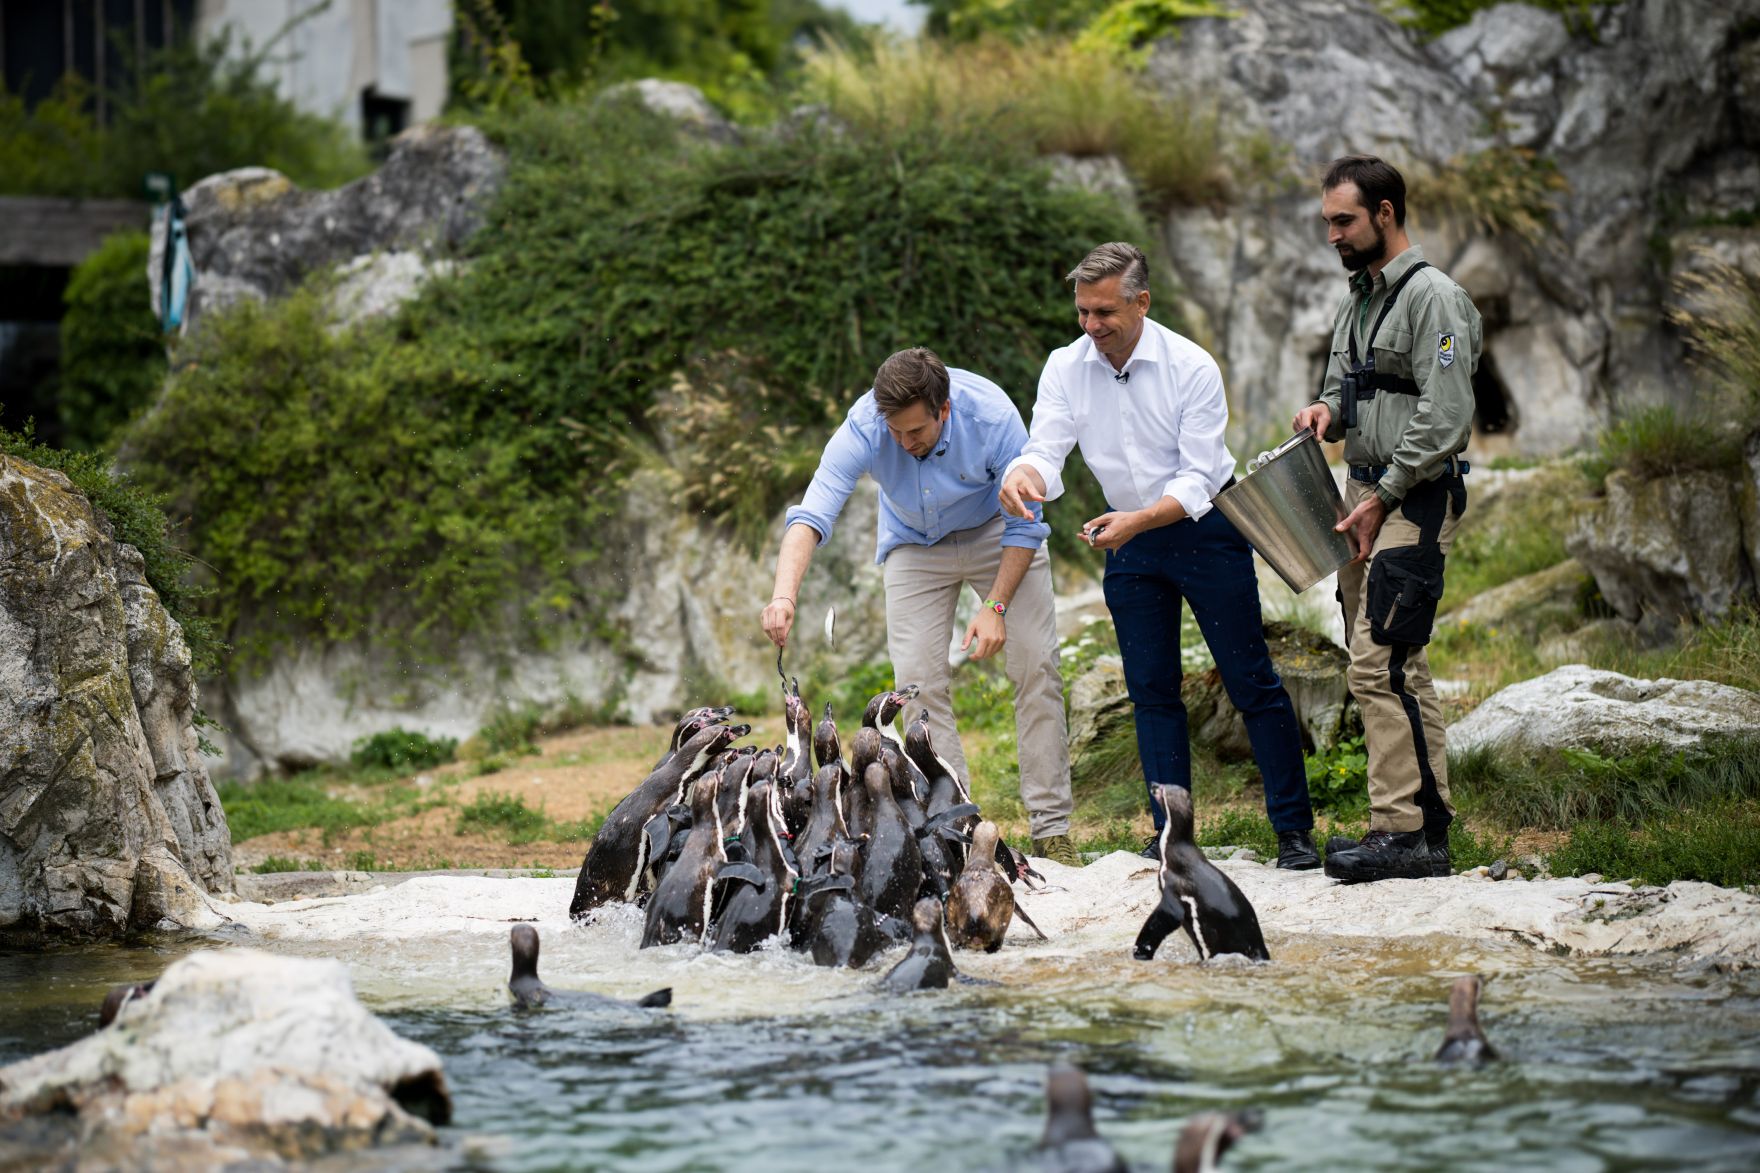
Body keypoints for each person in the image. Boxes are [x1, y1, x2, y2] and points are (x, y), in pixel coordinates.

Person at [999, 242, 1320, 871]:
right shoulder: (1065, 367)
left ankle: (1294, 832)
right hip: (1129, 538)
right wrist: (1023, 475)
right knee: (1151, 690)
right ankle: (1172, 835)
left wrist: (1140, 521)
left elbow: (1198, 477)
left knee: (1250, 679)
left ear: (1141, 302)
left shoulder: (1191, 365)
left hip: (1205, 529)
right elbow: (1046, 448)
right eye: (1082, 312)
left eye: (1104, 312)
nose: (1091, 326)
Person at [761, 347, 1080, 866]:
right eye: (896, 432)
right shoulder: (865, 426)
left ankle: (1051, 829)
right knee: (917, 686)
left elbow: (1026, 524)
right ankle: (954, 828)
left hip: (997, 534)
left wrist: (996, 607)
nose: (905, 443)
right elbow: (813, 512)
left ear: (943, 409)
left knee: (1036, 666)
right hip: (912, 543)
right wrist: (783, 595)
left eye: (916, 431)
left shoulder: (991, 416)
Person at [1293, 155, 1482, 883]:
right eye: (1327, 222)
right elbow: (1346, 388)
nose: (1333, 235)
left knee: (1379, 664)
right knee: (1393, 663)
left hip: (1413, 497)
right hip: (1361, 494)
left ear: (1385, 212)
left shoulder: (1436, 298)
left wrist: (1384, 495)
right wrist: (1325, 411)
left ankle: (1400, 831)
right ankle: (1425, 831)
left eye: (1344, 220)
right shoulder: (1357, 299)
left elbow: (1445, 415)